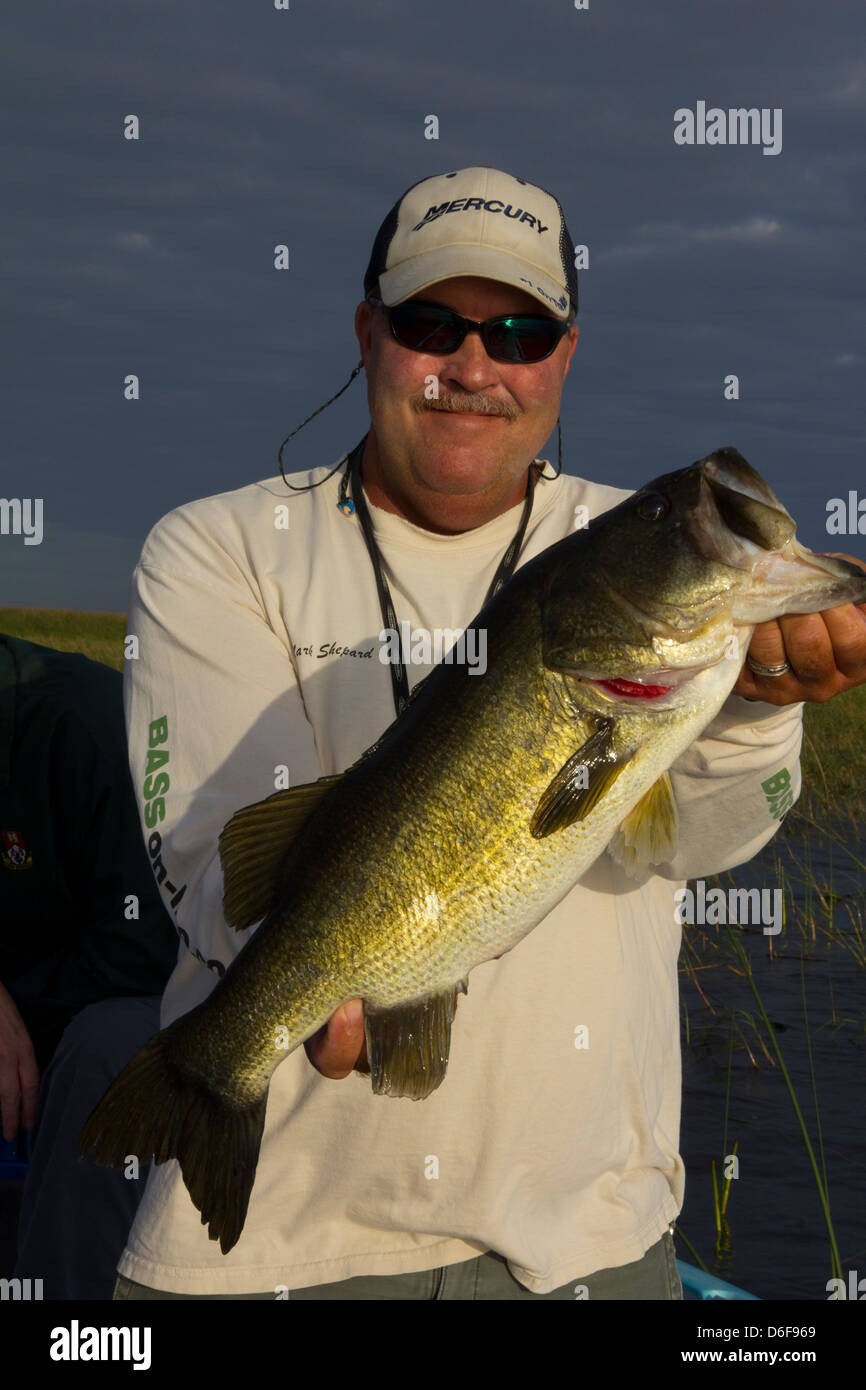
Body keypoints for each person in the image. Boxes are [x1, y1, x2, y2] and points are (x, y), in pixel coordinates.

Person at [108, 167, 866, 1300]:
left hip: (585, 1243)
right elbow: (212, 860)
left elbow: (692, 844)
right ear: (366, 333)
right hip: (274, 1248)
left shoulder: (609, 551)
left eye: (518, 332)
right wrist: (293, 1001)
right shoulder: (216, 550)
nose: (473, 366)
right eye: (430, 325)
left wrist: (758, 704)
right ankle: (206, 1082)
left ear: (563, 356)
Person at [0, 632, 179, 1297]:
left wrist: (18, 1008)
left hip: (146, 999)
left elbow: (144, 955)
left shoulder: (86, 728)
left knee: (105, 1050)